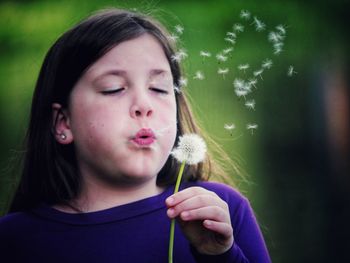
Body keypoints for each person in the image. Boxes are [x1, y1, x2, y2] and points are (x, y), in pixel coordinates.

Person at [0, 8, 271, 262]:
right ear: (63, 123)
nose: (144, 105)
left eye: (159, 88)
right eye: (114, 88)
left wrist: (221, 255)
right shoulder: (15, 239)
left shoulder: (219, 212)